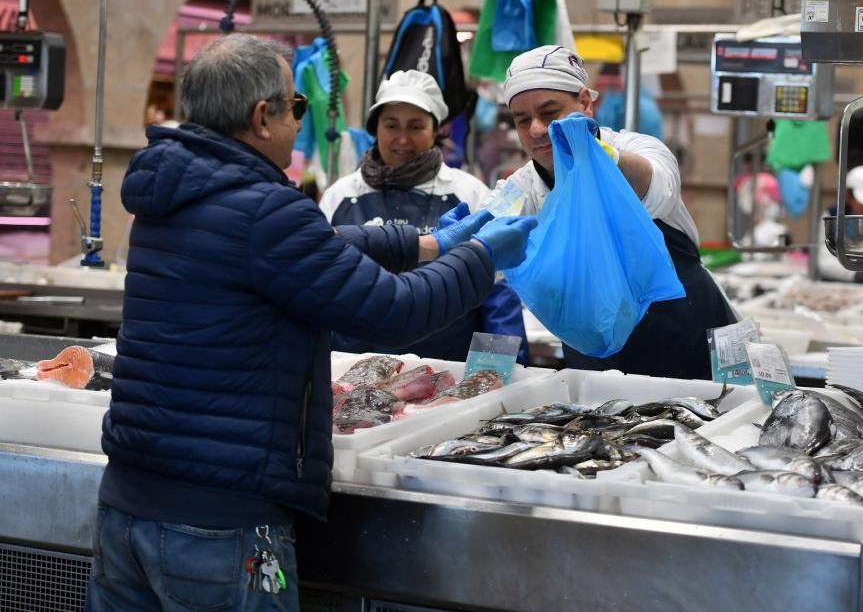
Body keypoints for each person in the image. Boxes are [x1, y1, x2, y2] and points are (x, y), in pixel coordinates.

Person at [85, 34, 536, 612]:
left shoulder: (173, 196)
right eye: (296, 107)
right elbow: (391, 311)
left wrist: (426, 243)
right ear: (260, 116)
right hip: (220, 524)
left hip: (127, 508)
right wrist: (481, 259)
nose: (301, 121)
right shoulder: (266, 210)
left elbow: (315, 247)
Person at [495, 45, 736, 380]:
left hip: (690, 339)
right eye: (523, 121)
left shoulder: (639, 148)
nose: (536, 130)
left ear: (584, 103)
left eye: (550, 114)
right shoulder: (521, 190)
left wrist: (600, 155)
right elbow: (488, 249)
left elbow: (659, 189)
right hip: (597, 358)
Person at [319, 70, 528, 363]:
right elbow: (321, 288)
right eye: (391, 125)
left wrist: (498, 371)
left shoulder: (468, 192)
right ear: (375, 129)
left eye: (416, 126)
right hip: (350, 372)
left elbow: (498, 291)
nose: (402, 138)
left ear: (436, 131)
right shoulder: (339, 196)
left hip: (446, 374)